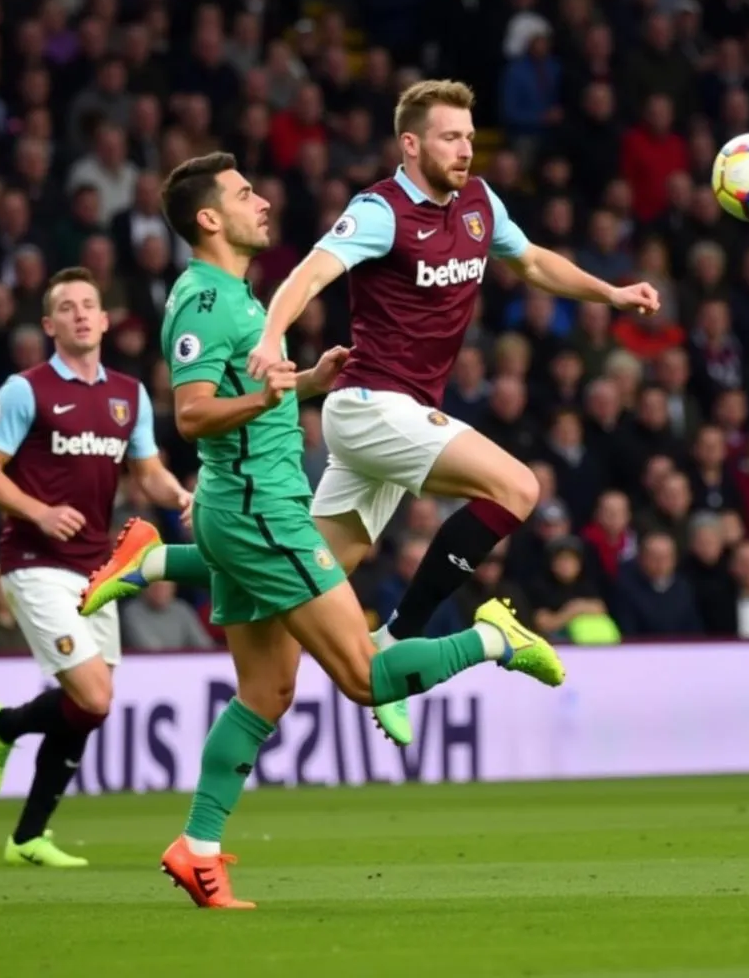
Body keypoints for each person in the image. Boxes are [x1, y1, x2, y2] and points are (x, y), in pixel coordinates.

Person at [81, 79, 655, 747]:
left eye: (470, 136)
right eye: (450, 137)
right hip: (368, 406)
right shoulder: (379, 211)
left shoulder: (478, 203)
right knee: (518, 487)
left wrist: (608, 293)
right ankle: (411, 633)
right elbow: (311, 272)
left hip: (403, 416)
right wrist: (271, 338)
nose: (465, 149)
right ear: (410, 145)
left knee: (306, 564)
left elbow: (530, 262)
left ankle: (152, 561)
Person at [144, 152, 564, 909]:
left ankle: (197, 847)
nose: (263, 201)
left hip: (250, 508)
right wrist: (271, 391)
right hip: (258, 512)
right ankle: (496, 638)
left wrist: (299, 385)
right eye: (245, 194)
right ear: (209, 219)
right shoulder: (206, 303)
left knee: (267, 692)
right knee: (368, 677)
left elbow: (246, 396)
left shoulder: (235, 297)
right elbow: (194, 413)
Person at [0, 267, 191, 866]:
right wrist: (38, 512)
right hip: (35, 561)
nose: (82, 315)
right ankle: (6, 728)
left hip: (99, 568)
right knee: (91, 697)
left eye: (90, 304)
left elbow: (147, 472)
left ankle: (26, 836)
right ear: (49, 324)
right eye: (67, 308)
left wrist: (180, 497)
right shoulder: (26, 390)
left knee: (87, 706)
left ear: (106, 317)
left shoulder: (129, 394)